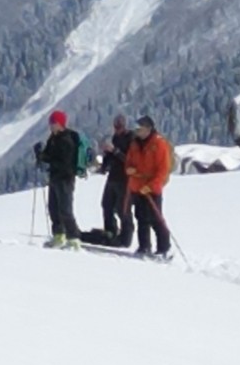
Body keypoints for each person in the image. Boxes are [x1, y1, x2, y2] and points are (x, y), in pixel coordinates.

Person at [34, 108, 89, 247]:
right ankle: (59, 235)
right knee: (53, 208)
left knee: (65, 209)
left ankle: (73, 238)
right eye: (51, 122)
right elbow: (49, 155)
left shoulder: (66, 140)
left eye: (53, 122)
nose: (51, 125)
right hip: (55, 178)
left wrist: (48, 159)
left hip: (65, 178)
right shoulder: (53, 138)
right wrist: (41, 155)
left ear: (60, 124)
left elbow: (65, 163)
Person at [126, 115, 175, 258]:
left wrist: (151, 185)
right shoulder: (135, 144)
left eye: (140, 129)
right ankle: (144, 247)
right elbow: (129, 161)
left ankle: (164, 248)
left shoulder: (159, 144)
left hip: (151, 188)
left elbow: (163, 169)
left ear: (148, 129)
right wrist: (129, 169)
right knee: (141, 218)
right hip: (137, 186)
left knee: (155, 218)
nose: (137, 132)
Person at [95, 112, 136, 247]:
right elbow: (112, 157)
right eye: (116, 127)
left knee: (122, 208)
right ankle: (110, 231)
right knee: (106, 204)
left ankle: (126, 236)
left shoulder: (131, 139)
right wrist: (105, 162)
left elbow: (129, 160)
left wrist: (115, 151)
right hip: (113, 176)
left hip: (125, 179)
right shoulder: (115, 138)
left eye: (120, 127)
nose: (117, 129)